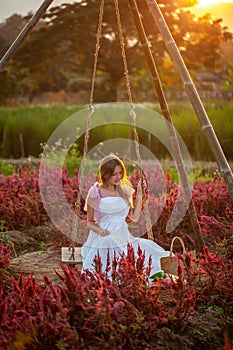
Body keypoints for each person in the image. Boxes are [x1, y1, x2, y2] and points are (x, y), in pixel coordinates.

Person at [81, 154, 170, 278]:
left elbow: (134, 217)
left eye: (120, 173)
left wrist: (139, 195)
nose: (118, 177)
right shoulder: (96, 192)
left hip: (122, 234)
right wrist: (100, 230)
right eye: (114, 174)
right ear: (105, 174)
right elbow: (89, 222)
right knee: (108, 243)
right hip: (102, 234)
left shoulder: (124, 190)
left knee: (148, 257)